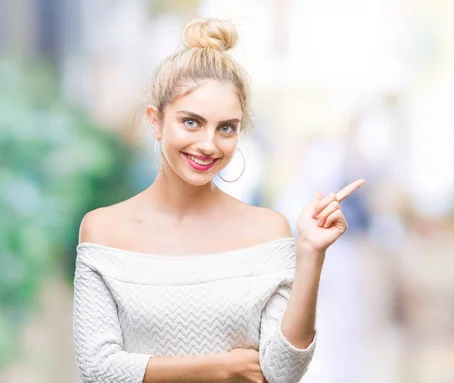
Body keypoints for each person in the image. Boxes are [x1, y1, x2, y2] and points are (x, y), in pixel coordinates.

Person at [72, 18, 364, 383]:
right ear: (156, 121)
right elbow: (97, 370)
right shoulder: (102, 229)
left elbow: (282, 371)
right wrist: (223, 367)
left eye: (226, 127)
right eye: (191, 122)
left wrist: (310, 253)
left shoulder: (267, 230)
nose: (209, 144)